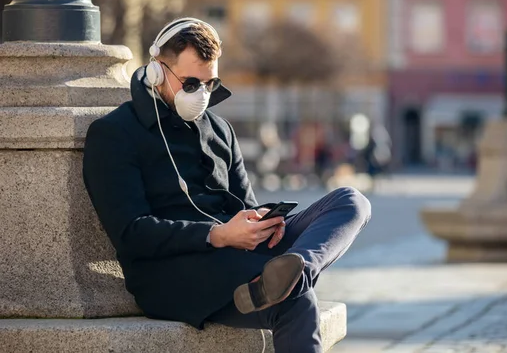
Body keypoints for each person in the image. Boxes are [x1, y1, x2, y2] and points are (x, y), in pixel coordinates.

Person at [82, 18, 371, 353]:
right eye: (191, 84)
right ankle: (285, 281)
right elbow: (131, 233)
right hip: (175, 274)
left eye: (210, 83)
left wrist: (264, 223)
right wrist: (217, 235)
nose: (202, 95)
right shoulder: (114, 133)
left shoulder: (220, 130)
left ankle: (297, 269)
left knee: (351, 201)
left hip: (240, 253)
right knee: (295, 299)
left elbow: (245, 205)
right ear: (157, 72)